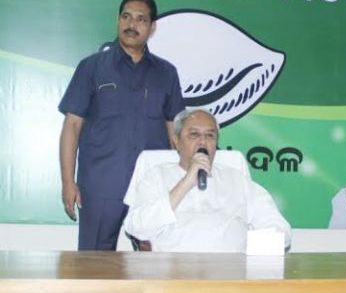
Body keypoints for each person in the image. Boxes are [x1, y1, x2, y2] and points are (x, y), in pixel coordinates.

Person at [58, 0, 184, 251]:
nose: (131, 24)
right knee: (94, 264)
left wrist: (181, 180)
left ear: (152, 27)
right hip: (102, 184)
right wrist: (67, 181)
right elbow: (71, 126)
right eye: (126, 17)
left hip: (152, 185)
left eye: (140, 19)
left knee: (157, 262)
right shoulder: (91, 67)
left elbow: (176, 133)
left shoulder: (166, 73)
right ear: (118, 20)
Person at [122, 109, 290, 253]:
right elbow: (136, 227)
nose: (203, 142)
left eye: (210, 135)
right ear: (176, 141)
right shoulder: (156, 176)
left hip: (231, 272)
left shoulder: (237, 179)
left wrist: (248, 253)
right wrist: (186, 183)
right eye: (194, 135)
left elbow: (279, 229)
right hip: (173, 272)